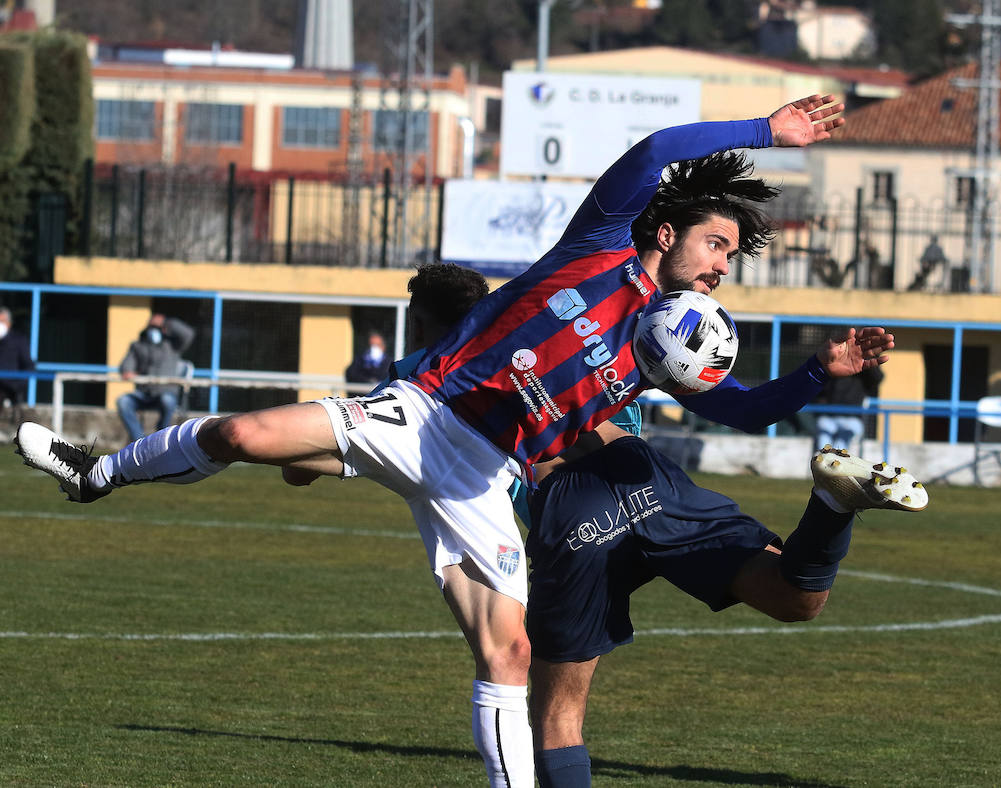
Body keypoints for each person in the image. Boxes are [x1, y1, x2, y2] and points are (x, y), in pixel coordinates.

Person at [17, 95, 853, 788]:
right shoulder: (598, 246)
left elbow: (747, 411)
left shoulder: (663, 350)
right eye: (717, 245)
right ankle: (95, 473)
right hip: (422, 413)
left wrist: (821, 370)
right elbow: (657, 148)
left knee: (509, 653)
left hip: (483, 476)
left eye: (731, 256)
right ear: (666, 233)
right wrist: (765, 131)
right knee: (242, 431)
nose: (722, 267)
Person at [522, 416, 926, 787]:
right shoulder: (599, 361)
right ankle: (831, 505)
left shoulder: (491, 369)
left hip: (569, 502)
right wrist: (814, 373)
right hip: (641, 472)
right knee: (795, 599)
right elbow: (729, 401)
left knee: (559, 712)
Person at [116, 313, 196, 441]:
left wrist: (167, 322)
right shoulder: (138, 346)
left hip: (166, 393)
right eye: (152, 326)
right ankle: (139, 441)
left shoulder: (173, 345)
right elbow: (126, 367)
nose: (154, 330)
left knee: (167, 400)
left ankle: (161, 437)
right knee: (123, 401)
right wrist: (127, 371)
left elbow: (188, 334)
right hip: (144, 394)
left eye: (158, 327)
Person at [813, 360, 882, 454]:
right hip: (829, 417)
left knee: (841, 444)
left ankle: (834, 460)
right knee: (823, 443)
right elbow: (819, 388)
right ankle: (823, 460)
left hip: (852, 418)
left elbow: (878, 378)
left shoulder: (863, 370)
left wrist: (867, 359)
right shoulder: (834, 364)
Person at [0, 306, 36, 413]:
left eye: (2, 321)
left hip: (10, 389)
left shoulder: (19, 340)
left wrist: (16, 386)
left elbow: (29, 366)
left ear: (9, 323)